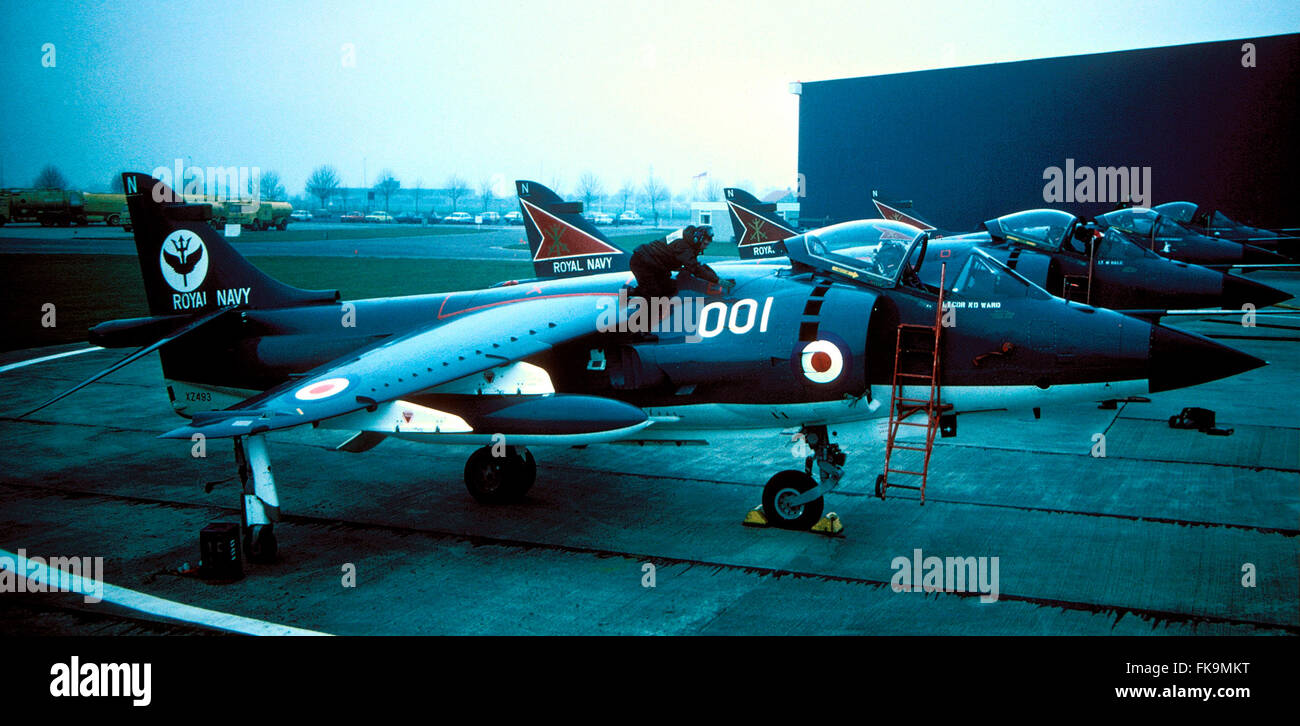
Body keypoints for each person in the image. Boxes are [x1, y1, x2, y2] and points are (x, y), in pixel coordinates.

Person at [629, 225, 735, 299]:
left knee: (670, 287)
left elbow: (696, 266)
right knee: (654, 295)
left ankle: (634, 292)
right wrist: (717, 280)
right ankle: (639, 328)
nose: (705, 247)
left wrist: (717, 278)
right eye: (705, 244)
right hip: (643, 263)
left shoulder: (687, 238)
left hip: (654, 264)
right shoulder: (683, 246)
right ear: (697, 240)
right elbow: (695, 268)